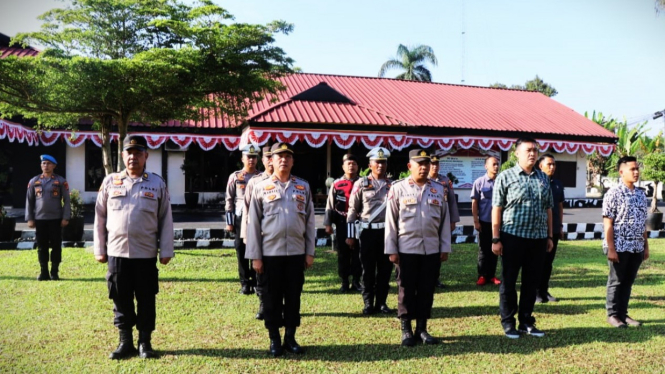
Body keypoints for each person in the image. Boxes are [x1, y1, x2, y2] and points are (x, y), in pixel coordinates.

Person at [94, 135, 174, 359]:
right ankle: (125, 342)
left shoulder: (157, 183)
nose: (133, 157)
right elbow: (99, 218)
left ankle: (145, 343)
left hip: (145, 253)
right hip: (117, 253)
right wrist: (99, 249)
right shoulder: (110, 182)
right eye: (129, 153)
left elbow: (166, 219)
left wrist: (166, 250)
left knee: (146, 297)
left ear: (146, 156)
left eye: (138, 153)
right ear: (122, 156)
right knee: (120, 297)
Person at [246, 142, 315, 357]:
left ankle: (290, 338)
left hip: (295, 253)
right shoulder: (260, 187)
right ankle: (274, 339)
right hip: (269, 255)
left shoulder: (303, 186)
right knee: (271, 298)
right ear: (271, 161)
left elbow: (311, 222)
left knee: (293, 297)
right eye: (279, 156)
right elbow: (253, 225)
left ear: (293, 161)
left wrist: (309, 251)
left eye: (287, 156)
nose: (283, 159)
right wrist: (255, 257)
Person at [386, 149, 451, 347]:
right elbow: (391, 221)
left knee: (426, 289)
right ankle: (406, 330)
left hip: (431, 249)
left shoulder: (439, 189)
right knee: (405, 289)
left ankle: (421, 329)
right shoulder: (398, 188)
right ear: (409, 166)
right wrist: (392, 249)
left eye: (426, 163)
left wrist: (444, 246)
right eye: (419, 164)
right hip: (406, 248)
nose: (424, 167)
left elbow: (444, 221)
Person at [492, 137, 553, 339]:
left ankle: (526, 321)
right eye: (528, 150)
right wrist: (495, 238)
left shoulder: (543, 178)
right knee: (509, 281)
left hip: (538, 238)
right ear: (516, 153)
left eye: (535, 150)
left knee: (531, 282)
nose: (532, 154)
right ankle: (508, 322)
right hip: (512, 237)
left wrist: (550, 235)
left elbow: (548, 209)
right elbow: (497, 208)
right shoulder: (506, 177)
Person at [347, 147, 394, 315]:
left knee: (385, 270)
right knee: (367, 270)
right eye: (377, 162)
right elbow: (353, 209)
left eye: (383, 162)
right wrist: (351, 235)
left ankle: (381, 303)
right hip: (367, 233)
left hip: (386, 234)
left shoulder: (392, 185)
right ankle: (368, 303)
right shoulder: (361, 184)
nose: (380, 165)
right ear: (370, 165)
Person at [603, 156, 648, 328]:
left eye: (637, 169)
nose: (636, 172)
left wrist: (645, 245)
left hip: (636, 245)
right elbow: (608, 222)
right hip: (619, 245)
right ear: (621, 172)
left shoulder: (641, 194)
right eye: (632, 169)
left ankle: (623, 313)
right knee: (616, 280)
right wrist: (611, 248)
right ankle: (612, 314)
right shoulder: (613, 193)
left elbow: (643, 222)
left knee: (628, 281)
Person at [25, 154, 71, 281]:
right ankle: (43, 271)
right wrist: (30, 218)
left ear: (54, 166)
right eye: (44, 163)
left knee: (56, 246)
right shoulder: (34, 181)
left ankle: (54, 272)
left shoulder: (61, 181)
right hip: (40, 219)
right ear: (41, 165)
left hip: (56, 219)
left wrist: (66, 217)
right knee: (42, 246)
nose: (46, 166)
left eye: (49, 163)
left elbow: (67, 200)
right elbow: (29, 201)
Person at [241, 145, 273, 320]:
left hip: (276, 238)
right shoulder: (255, 182)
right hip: (259, 235)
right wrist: (246, 235)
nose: (270, 161)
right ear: (264, 160)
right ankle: (263, 304)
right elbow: (247, 211)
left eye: (271, 157)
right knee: (260, 274)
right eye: (267, 158)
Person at [324, 153, 362, 293]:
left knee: (358, 253)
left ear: (358, 166)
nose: (351, 166)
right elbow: (330, 205)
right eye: (348, 164)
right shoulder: (337, 184)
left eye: (354, 163)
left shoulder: (364, 183)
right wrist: (328, 224)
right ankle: (344, 281)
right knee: (343, 253)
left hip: (359, 222)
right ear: (343, 167)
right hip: (342, 222)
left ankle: (357, 281)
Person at [225, 144, 260, 295]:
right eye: (248, 157)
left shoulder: (261, 177)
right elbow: (229, 199)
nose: (251, 160)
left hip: (257, 217)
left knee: (257, 250)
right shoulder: (235, 176)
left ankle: (257, 281)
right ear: (242, 159)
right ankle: (245, 283)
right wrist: (229, 222)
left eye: (253, 157)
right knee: (241, 250)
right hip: (240, 218)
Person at [536, 154, 565, 302]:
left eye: (554, 164)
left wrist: (560, 226)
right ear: (541, 166)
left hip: (553, 230)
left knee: (548, 263)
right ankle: (535, 293)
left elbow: (560, 206)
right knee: (537, 262)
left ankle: (544, 291)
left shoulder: (558, 184)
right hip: (539, 230)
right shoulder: (536, 182)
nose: (552, 167)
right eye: (549, 164)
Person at [428, 153, 460, 289]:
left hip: (443, 220)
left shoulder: (445, 181)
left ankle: (435, 278)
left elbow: (452, 202)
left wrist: (453, 220)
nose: (435, 166)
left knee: (440, 249)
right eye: (432, 164)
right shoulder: (424, 179)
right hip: (429, 219)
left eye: (437, 164)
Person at [470, 155, 501, 286]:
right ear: (486, 166)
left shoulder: (501, 181)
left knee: (495, 250)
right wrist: (476, 221)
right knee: (483, 250)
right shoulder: (479, 182)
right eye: (493, 164)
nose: (496, 166)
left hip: (498, 223)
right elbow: (474, 202)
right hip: (484, 221)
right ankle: (482, 275)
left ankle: (492, 275)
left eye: (497, 164)